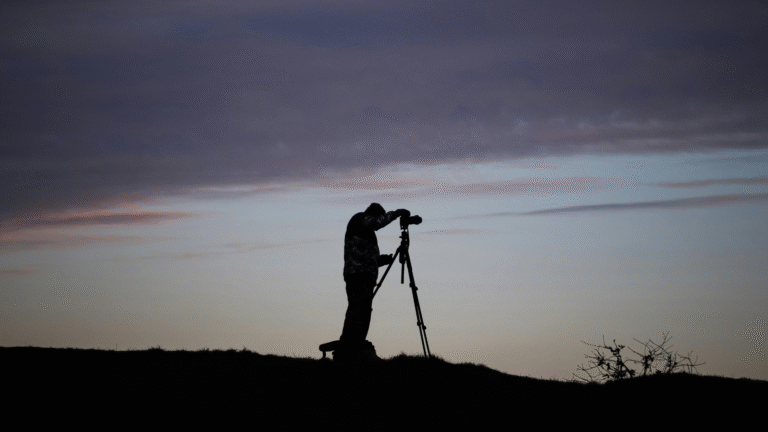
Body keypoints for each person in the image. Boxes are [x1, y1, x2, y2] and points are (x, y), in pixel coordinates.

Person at [337, 203, 409, 360]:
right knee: (358, 310)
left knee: (363, 311)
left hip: (365, 277)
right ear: (374, 214)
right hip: (357, 276)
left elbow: (366, 257)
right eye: (380, 217)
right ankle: (348, 348)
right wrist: (397, 213)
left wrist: (382, 260)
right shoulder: (359, 219)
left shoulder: (366, 231)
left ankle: (357, 346)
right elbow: (376, 223)